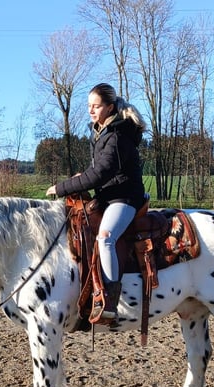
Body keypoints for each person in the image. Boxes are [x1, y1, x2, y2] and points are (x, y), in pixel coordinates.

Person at [47, 83, 147, 323]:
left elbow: (100, 174)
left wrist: (61, 188)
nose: (91, 110)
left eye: (96, 106)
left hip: (124, 198)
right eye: (89, 106)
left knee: (106, 236)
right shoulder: (101, 132)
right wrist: (80, 178)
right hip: (108, 195)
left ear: (110, 107)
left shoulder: (116, 137)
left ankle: (110, 299)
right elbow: (97, 171)